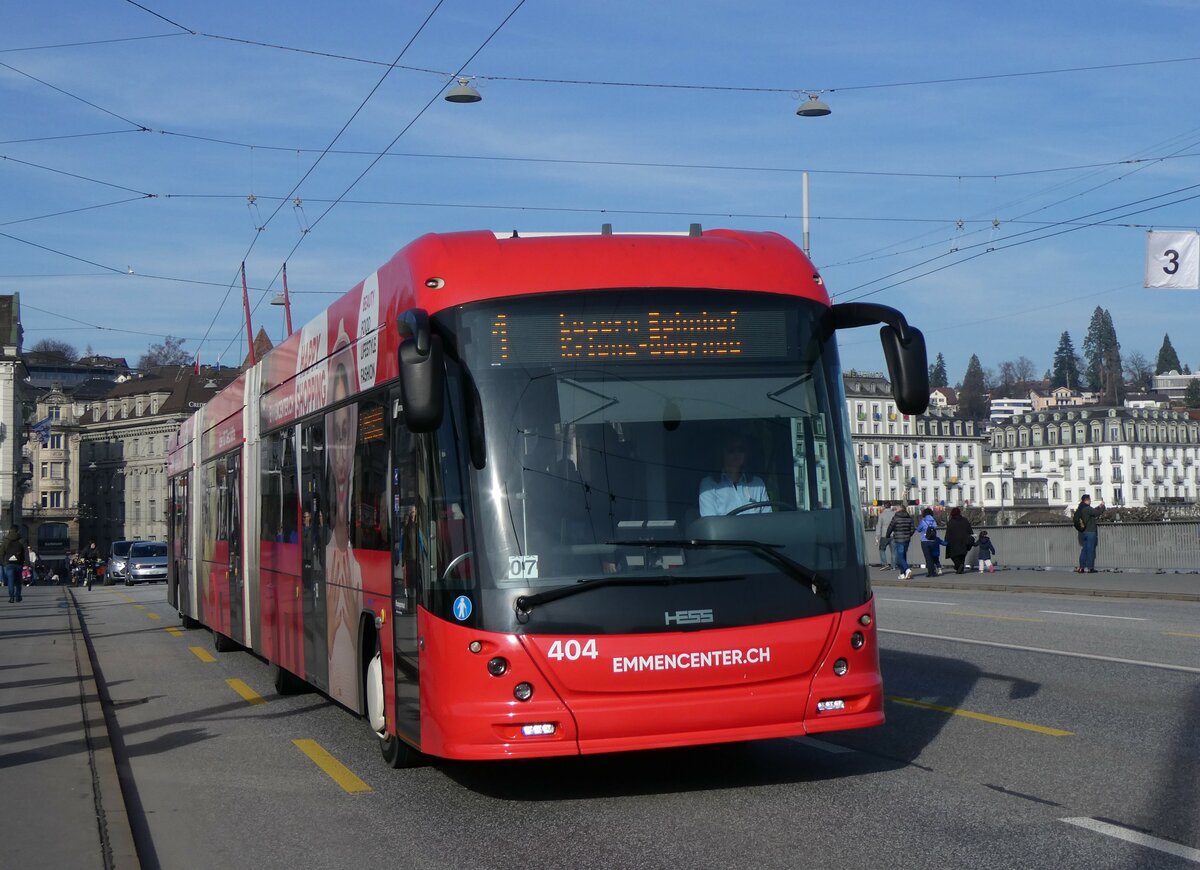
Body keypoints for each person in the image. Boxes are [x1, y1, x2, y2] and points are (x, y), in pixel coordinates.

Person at [699, 433, 771, 517]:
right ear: (722, 453)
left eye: (740, 449)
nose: (736, 454)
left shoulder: (758, 484)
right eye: (731, 450)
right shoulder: (709, 485)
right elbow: (710, 524)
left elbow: (768, 519)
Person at [1073, 493, 1105, 573]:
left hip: (1083, 532)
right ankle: (1090, 568)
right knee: (1090, 550)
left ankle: (1081, 567)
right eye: (1090, 500)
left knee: (1084, 550)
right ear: (1087, 500)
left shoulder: (1080, 508)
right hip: (1090, 532)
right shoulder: (1087, 508)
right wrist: (1102, 506)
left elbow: (1093, 511)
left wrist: (1099, 507)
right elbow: (1096, 513)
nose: (1090, 501)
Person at [885, 504, 915, 580]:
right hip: (907, 539)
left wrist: (887, 535)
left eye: (897, 509)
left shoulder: (896, 517)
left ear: (900, 509)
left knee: (900, 557)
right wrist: (909, 535)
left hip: (899, 539)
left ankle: (907, 570)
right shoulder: (909, 517)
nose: (896, 510)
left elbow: (890, 527)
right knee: (903, 556)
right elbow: (913, 529)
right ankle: (902, 574)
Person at [944, 507, 975, 574]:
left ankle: (958, 566)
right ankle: (960, 568)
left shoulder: (951, 522)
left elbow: (948, 533)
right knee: (962, 555)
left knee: (953, 555)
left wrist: (946, 540)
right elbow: (970, 531)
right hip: (964, 541)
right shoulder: (965, 520)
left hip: (954, 542)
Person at [916, 507, 943, 577]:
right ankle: (933, 572)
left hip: (925, 541)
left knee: (928, 557)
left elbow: (918, 529)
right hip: (933, 541)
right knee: (932, 556)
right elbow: (935, 527)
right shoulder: (933, 520)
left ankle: (930, 572)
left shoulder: (923, 521)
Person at [3, 525, 26, 603]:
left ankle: (11, 597)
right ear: (18, 530)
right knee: (18, 581)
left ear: (10, 530)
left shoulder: (5, 540)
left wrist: (3, 563)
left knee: (10, 581)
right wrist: (26, 563)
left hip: (9, 564)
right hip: (19, 564)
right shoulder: (21, 540)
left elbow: (1, 553)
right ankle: (18, 596)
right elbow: (25, 552)